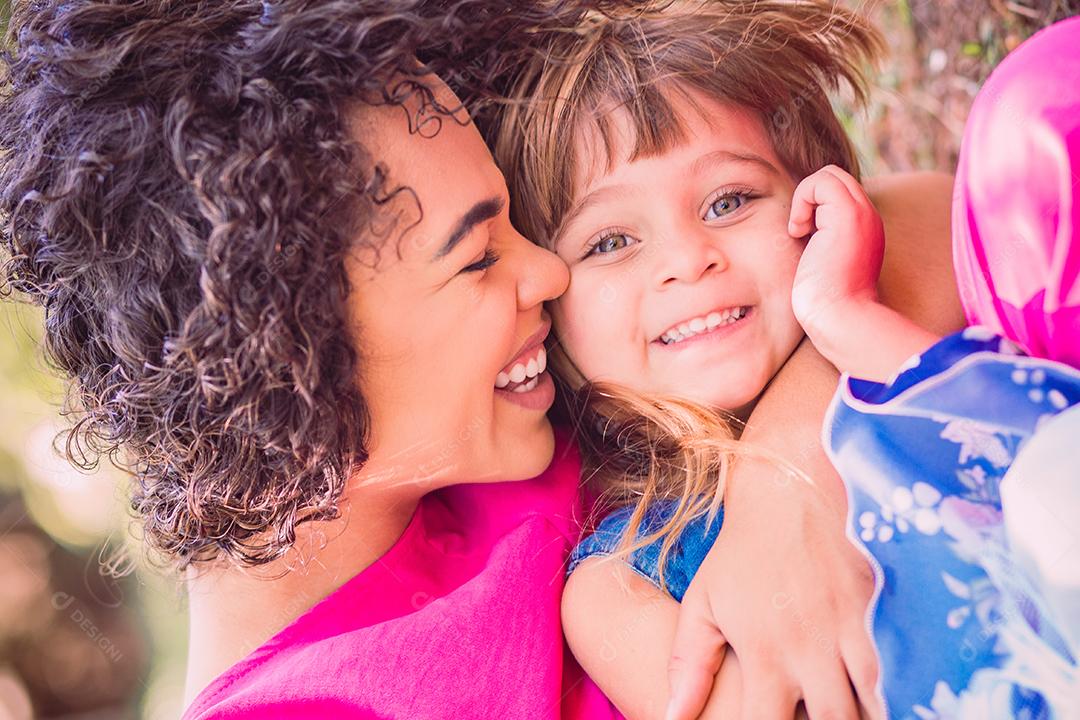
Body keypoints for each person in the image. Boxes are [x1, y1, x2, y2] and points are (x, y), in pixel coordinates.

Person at [484, 1, 966, 717]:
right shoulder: (617, 587)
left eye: (728, 201)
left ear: (820, 204)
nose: (686, 260)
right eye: (610, 241)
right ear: (550, 317)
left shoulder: (899, 334)